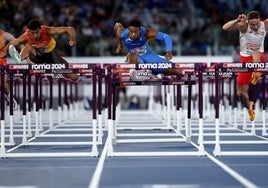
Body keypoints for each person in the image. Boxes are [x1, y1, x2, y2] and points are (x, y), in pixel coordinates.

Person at [222, 11, 268, 121]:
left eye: (257, 23)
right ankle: (249, 108)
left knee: (256, 52)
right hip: (244, 59)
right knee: (240, 94)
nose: (255, 26)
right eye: (252, 24)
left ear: (260, 20)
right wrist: (236, 21)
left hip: (259, 57)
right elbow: (224, 27)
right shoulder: (243, 26)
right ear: (248, 22)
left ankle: (256, 72)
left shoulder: (265, 24)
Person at [10, 19, 78, 81]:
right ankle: (19, 59)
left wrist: (72, 40)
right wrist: (7, 50)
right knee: (29, 45)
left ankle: (57, 71)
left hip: (52, 56)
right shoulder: (26, 36)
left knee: (74, 77)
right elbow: (13, 43)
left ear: (40, 29)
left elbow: (69, 29)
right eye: (32, 33)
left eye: (37, 32)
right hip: (37, 56)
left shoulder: (47, 30)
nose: (35, 36)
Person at [114, 19, 179, 76]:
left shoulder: (146, 32)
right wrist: (120, 44)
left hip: (147, 55)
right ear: (128, 30)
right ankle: (134, 69)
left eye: (135, 32)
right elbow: (117, 29)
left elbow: (166, 36)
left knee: (175, 70)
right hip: (134, 58)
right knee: (132, 55)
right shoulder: (122, 33)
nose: (133, 34)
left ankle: (155, 70)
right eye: (131, 32)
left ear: (140, 30)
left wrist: (169, 51)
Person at [0, 29, 18, 110]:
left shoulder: (5, 35)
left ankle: (11, 99)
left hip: (1, 62)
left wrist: (8, 48)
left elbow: (17, 41)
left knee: (3, 82)